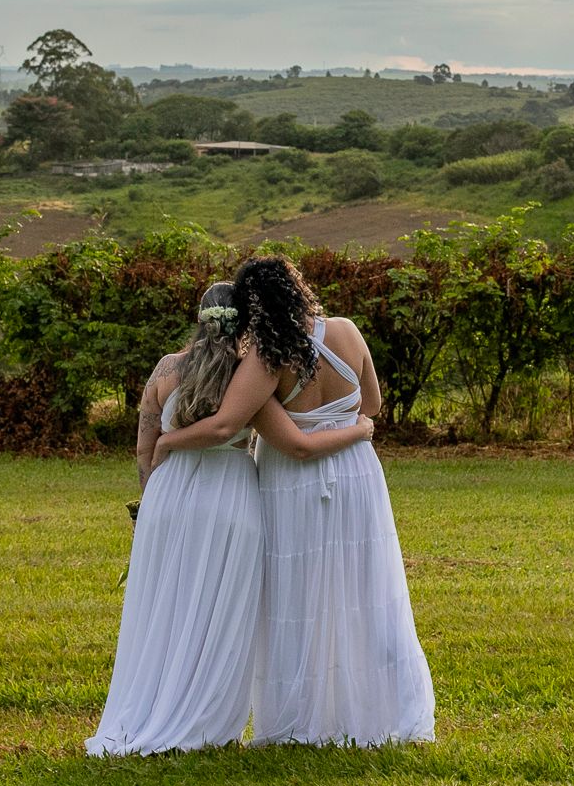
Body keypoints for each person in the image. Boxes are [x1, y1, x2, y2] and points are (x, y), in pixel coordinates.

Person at [155, 257, 435, 747]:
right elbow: (371, 405)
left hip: (295, 483)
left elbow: (260, 435)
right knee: (364, 588)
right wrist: (354, 429)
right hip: (358, 474)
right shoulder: (347, 331)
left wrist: (167, 442)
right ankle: (382, 709)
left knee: (296, 594)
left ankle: (303, 717)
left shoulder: (267, 358)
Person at [86, 281, 375, 756]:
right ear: (244, 322)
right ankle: (209, 721)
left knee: (162, 608)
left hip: (167, 494)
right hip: (231, 494)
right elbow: (244, 429)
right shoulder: (247, 373)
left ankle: (148, 707)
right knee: (225, 611)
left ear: (199, 317)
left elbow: (144, 445)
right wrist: (358, 428)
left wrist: (150, 499)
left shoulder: (165, 369)